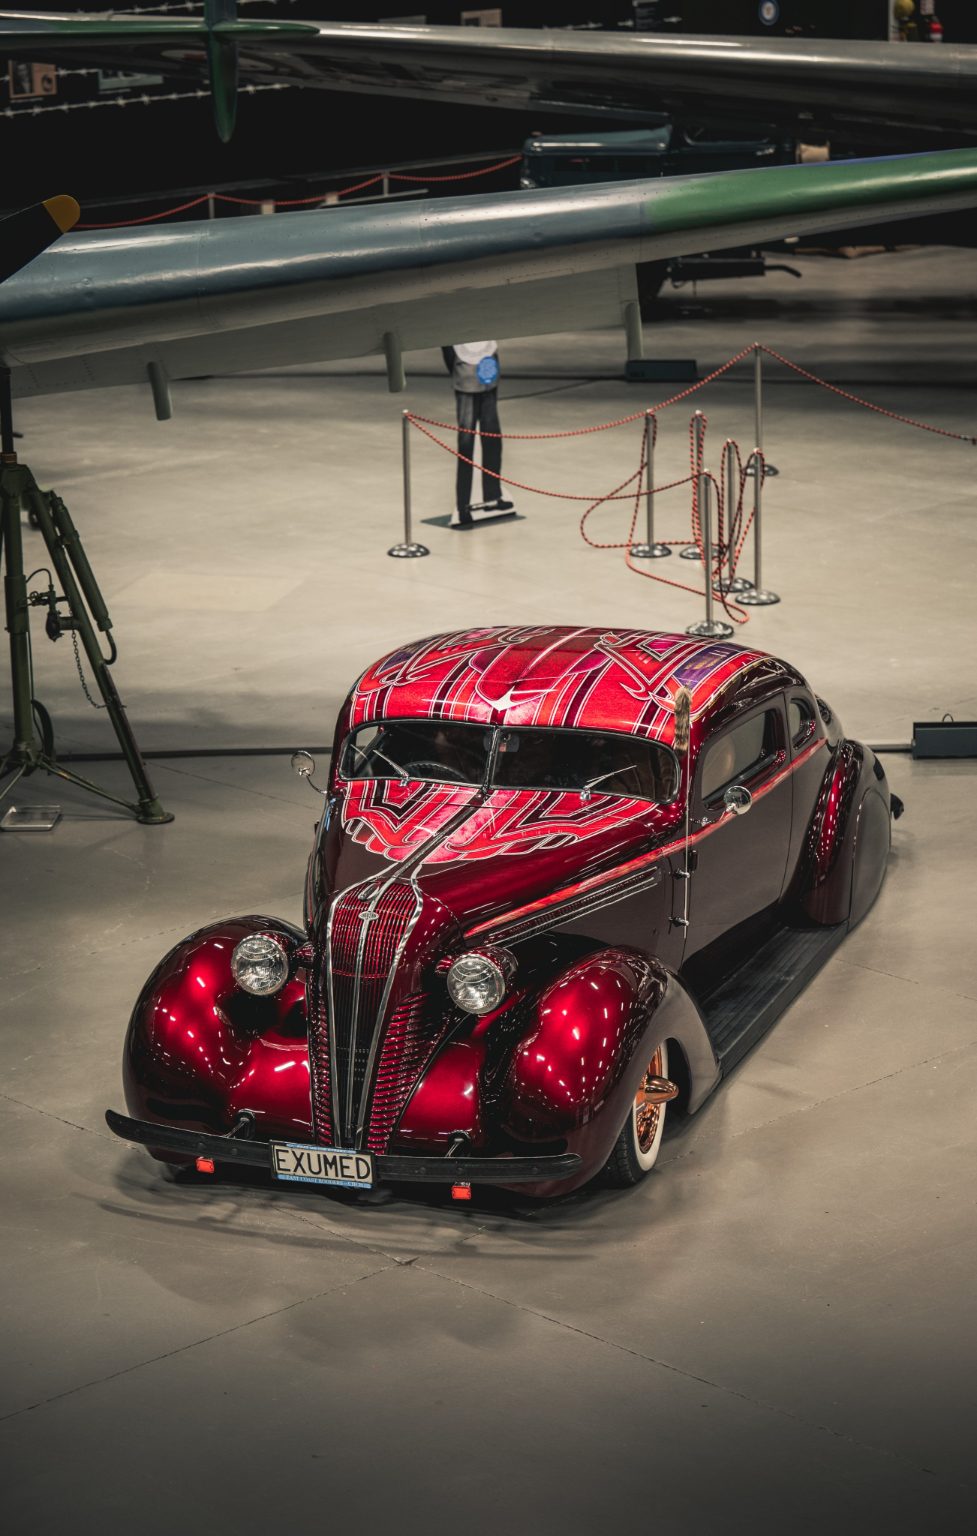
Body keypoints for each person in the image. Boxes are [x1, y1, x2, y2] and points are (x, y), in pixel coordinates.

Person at [441, 340, 517, 528]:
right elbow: (447, 350)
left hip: (487, 362)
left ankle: (492, 495)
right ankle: (463, 505)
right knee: (466, 443)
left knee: (492, 437)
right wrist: (458, 370)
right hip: (464, 369)